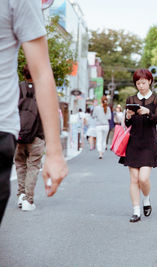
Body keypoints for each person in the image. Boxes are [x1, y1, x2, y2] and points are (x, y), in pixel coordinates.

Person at [0, 0, 68, 225]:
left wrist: (55, 152)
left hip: (6, 130)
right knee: (29, 167)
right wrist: (54, 151)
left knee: (21, 166)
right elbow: (43, 75)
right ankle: (26, 197)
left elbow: (42, 73)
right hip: (24, 134)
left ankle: (23, 195)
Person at [119, 69, 157, 223]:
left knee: (143, 179)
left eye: (143, 82)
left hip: (149, 143)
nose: (141, 85)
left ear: (150, 81)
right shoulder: (131, 98)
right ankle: (136, 211)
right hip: (133, 143)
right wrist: (128, 116)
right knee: (133, 179)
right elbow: (128, 123)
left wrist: (147, 112)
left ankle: (146, 199)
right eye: (138, 83)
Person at [14, 66, 45, 211]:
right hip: (37, 136)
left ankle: (20, 195)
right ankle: (28, 199)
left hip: (18, 135)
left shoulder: (17, 88)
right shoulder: (43, 89)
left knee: (20, 165)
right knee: (33, 167)